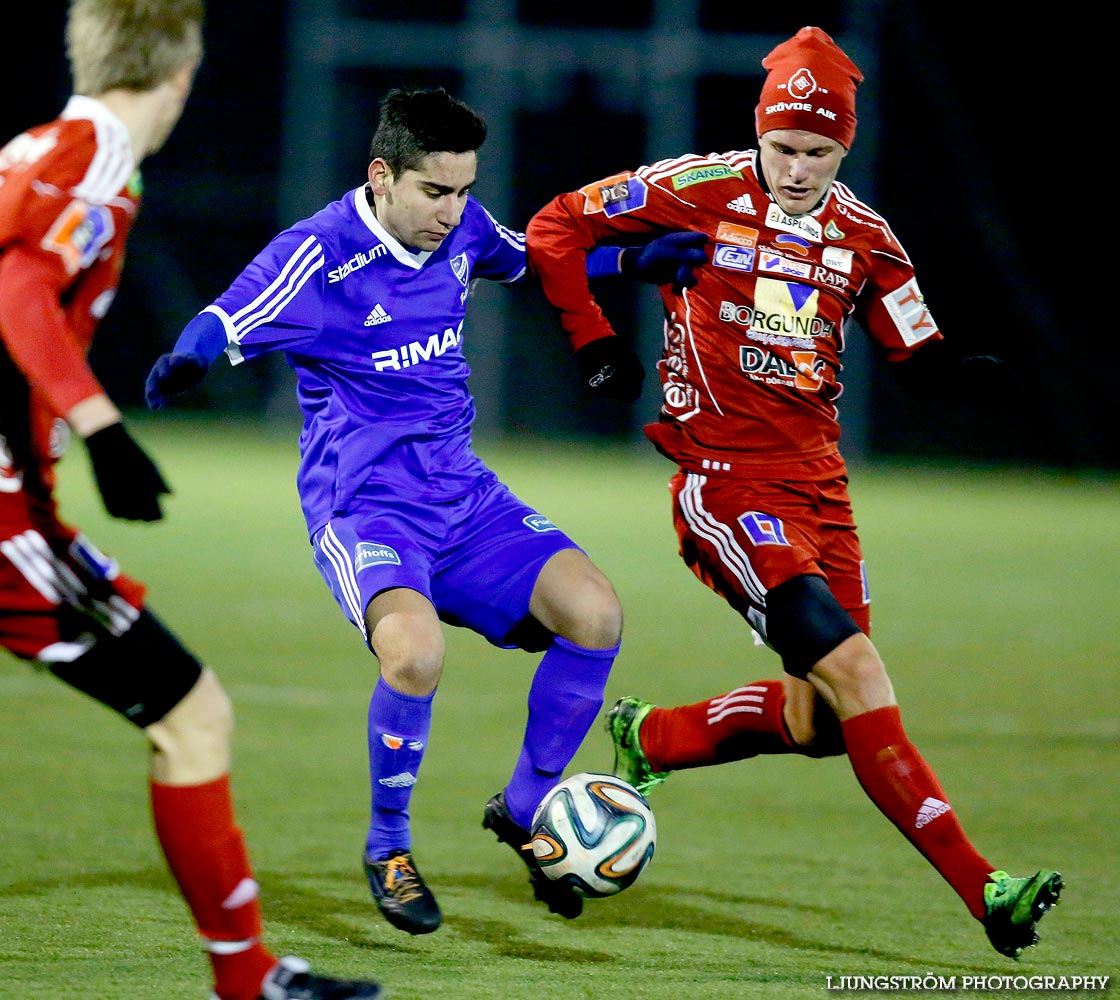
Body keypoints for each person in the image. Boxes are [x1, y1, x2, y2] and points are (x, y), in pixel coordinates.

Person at [525, 25, 1062, 960]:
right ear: (759, 133)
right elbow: (556, 226)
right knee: (858, 675)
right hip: (726, 486)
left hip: (822, 493)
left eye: (821, 152)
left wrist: (958, 376)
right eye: (785, 149)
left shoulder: (864, 236)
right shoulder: (695, 189)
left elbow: (913, 351)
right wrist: (594, 340)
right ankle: (988, 890)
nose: (801, 168)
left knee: (822, 721)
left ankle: (656, 737)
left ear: (845, 148)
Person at [144, 86, 705, 937]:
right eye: (434, 192)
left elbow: (527, 257)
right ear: (383, 175)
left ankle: (522, 808)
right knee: (414, 653)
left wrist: (631, 262)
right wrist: (187, 359)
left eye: (464, 191)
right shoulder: (318, 256)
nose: (453, 212)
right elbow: (227, 316)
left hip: (465, 498)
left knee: (595, 614)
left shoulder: (463, 230)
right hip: (367, 509)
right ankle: (389, 846)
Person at [0, 4, 385, 998]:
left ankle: (248, 975)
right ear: (181, 71)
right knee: (192, 713)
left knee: (190, 712)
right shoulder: (92, 157)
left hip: (21, 502)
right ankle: (246, 978)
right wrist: (102, 429)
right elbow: (17, 295)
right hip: (6, 517)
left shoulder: (38, 148)